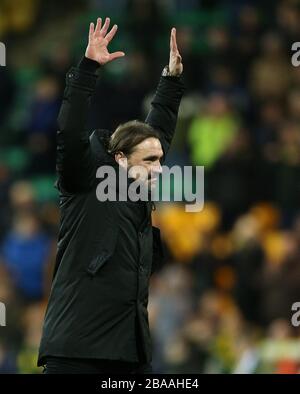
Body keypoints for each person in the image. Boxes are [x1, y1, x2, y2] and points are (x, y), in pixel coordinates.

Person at [38, 16, 185, 374]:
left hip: (128, 354)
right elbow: (70, 132)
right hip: (76, 354)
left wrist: (170, 82)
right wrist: (87, 69)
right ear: (120, 160)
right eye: (149, 161)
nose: (158, 168)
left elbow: (157, 136)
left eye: (161, 162)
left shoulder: (137, 193)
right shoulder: (85, 182)